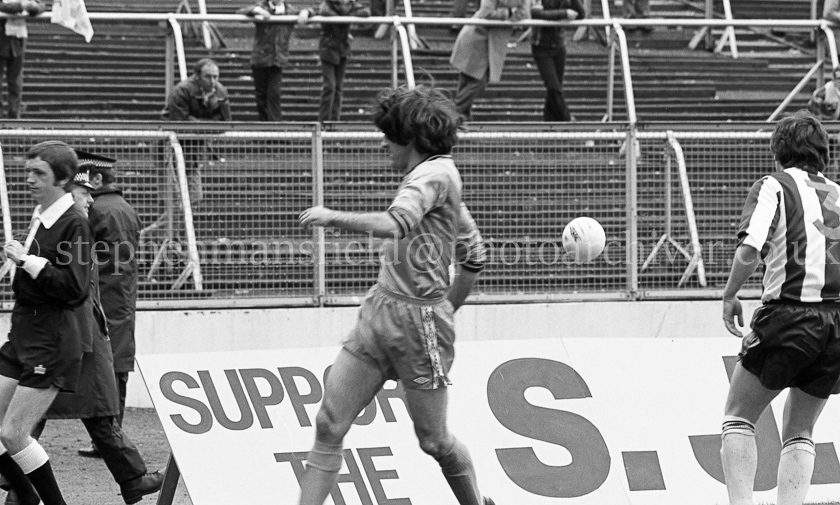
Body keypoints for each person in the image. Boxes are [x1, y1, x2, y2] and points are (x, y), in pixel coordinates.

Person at [297, 84, 490, 505]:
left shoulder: (432, 175)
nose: (384, 144)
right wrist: (450, 305)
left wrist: (330, 217)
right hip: (380, 313)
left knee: (435, 441)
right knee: (330, 424)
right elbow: (474, 252)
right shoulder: (441, 177)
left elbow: (394, 224)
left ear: (413, 139)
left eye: (390, 136)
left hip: (419, 327)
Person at [12, 162, 162, 505]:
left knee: (78, 411)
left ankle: (22, 488)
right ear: (68, 194)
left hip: (76, 334)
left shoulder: (69, 227)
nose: (90, 201)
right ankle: (21, 485)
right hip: (66, 337)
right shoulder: (63, 228)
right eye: (83, 194)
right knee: (39, 415)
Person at [721, 110, 840, 505]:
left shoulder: (774, 186)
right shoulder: (838, 193)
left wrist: (730, 294)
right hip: (836, 322)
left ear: (778, 152)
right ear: (823, 154)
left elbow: (750, 250)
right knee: (801, 430)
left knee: (738, 414)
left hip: (789, 314)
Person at [0, 141, 90, 505]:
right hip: (23, 333)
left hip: (50, 339)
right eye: (28, 171)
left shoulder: (75, 224)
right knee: (7, 432)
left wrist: (27, 261)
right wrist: (14, 263)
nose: (29, 179)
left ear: (64, 178)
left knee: (14, 432)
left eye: (39, 173)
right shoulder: (42, 215)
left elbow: (76, 287)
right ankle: (28, 499)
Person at [148, 58, 229, 240]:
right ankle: (166, 239)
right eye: (208, 76)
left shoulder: (221, 91)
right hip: (169, 150)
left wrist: (214, 108)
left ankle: (156, 235)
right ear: (197, 76)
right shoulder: (182, 91)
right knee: (175, 199)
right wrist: (207, 125)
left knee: (195, 197)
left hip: (193, 152)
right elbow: (181, 123)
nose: (213, 81)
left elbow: (225, 123)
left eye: (216, 76)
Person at [449, 0, 531, 120]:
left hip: (492, 42)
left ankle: (460, 120)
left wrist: (504, 13)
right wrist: (509, 12)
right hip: (476, 37)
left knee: (470, 81)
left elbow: (524, 14)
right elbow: (486, 13)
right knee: (476, 80)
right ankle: (452, 115)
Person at [238, 0, 311, 122]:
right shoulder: (262, 7)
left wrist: (306, 11)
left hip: (277, 60)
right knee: (261, 95)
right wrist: (257, 10)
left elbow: (311, 11)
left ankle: (275, 128)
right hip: (260, 59)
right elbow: (241, 12)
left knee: (274, 94)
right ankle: (266, 129)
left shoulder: (289, 10)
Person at [530, 0, 584, 122]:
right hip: (541, 47)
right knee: (553, 87)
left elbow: (581, 15)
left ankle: (549, 126)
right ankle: (568, 120)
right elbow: (537, 13)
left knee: (554, 89)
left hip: (559, 46)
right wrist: (564, 13)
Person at [316, 0, 370, 122]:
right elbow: (326, 13)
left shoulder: (349, 4)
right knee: (330, 86)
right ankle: (324, 122)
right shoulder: (328, 5)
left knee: (338, 88)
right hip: (328, 49)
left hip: (343, 49)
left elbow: (366, 11)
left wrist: (346, 17)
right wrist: (348, 18)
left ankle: (334, 122)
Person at [0, 0, 43, 119]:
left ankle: (13, 121)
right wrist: (20, 6)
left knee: (15, 84)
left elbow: (41, 6)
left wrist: (33, 7)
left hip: (17, 41)